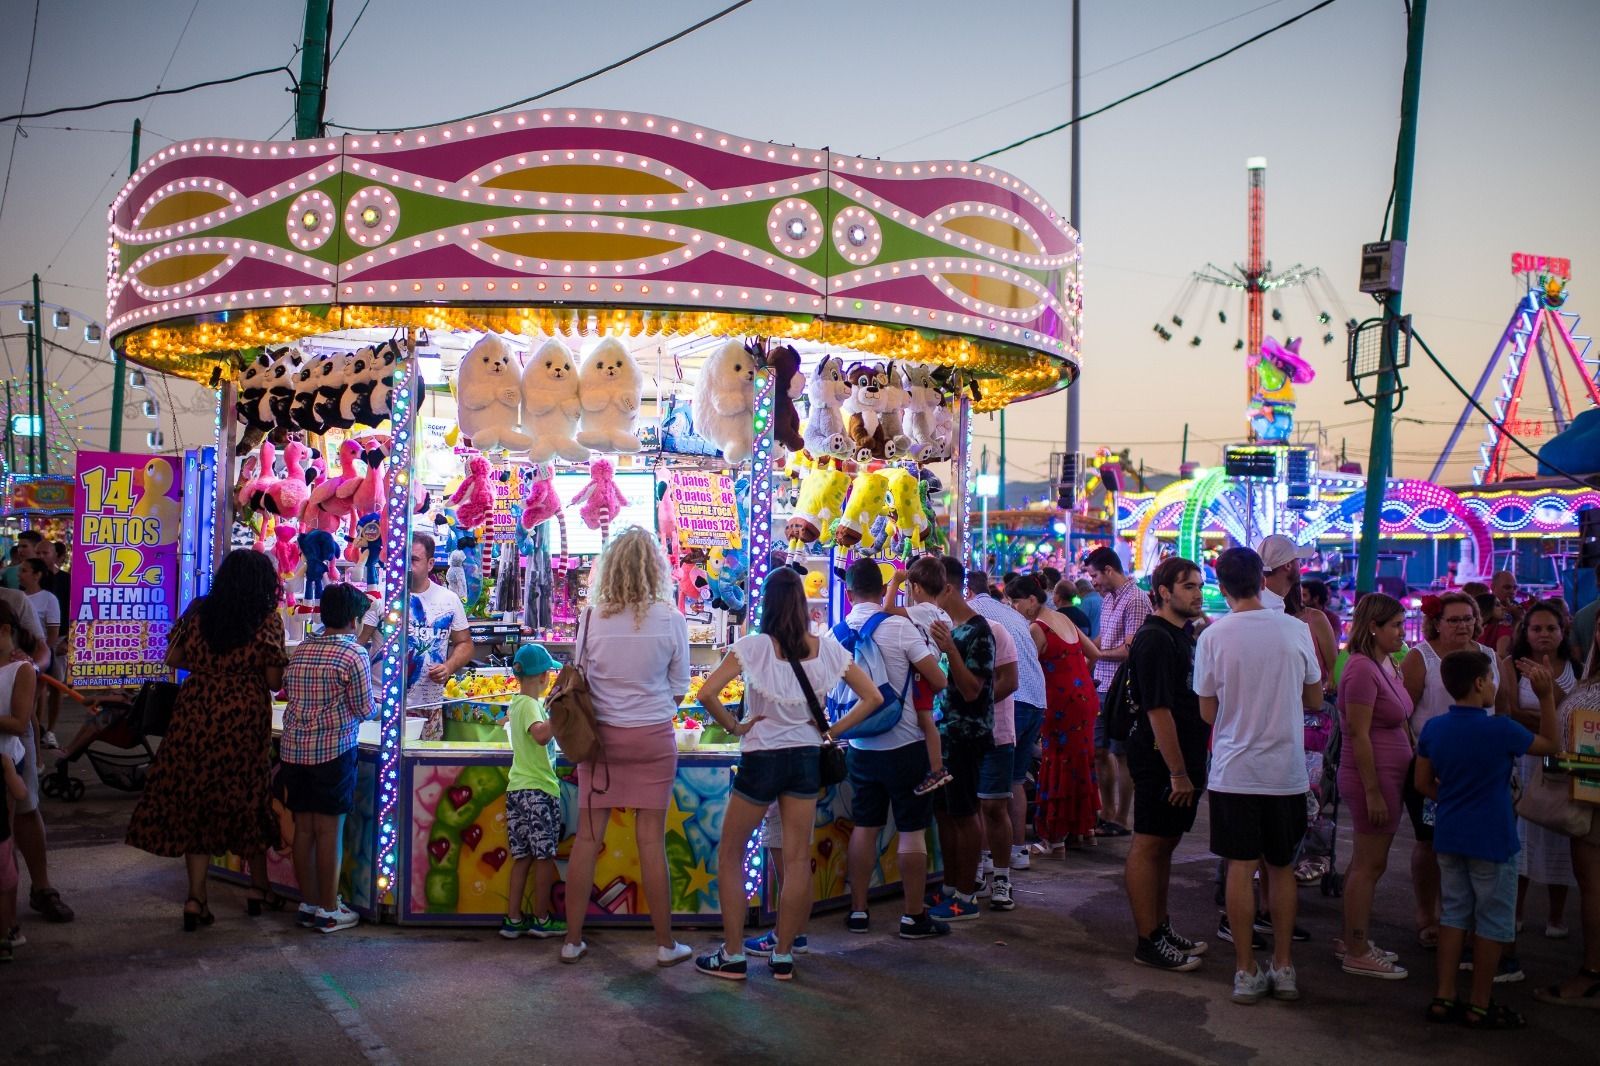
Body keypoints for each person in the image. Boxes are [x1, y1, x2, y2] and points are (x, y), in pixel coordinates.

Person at [694, 568, 882, 980]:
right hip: (805, 758)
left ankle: (732, 953)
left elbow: (707, 693)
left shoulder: (752, 647)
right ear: (800, 603)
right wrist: (832, 731)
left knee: (731, 854)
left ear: (766, 603)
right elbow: (873, 697)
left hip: (762, 758)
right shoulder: (826, 649)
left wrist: (734, 725)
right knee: (798, 859)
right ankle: (783, 954)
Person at [125, 548, 289, 930]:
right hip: (243, 716)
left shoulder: (198, 613)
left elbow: (173, 658)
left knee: (197, 798)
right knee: (249, 797)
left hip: (195, 710)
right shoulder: (267, 621)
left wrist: (208, 668)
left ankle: (196, 897)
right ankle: (258, 887)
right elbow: (272, 681)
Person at [561, 528, 693, 967]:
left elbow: (578, 678)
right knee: (650, 842)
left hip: (600, 743)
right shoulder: (672, 618)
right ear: (656, 567)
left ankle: (572, 940)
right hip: (654, 738)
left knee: (587, 841)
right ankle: (664, 944)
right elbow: (678, 690)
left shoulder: (591, 617)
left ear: (609, 567)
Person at [1196, 547, 1321, 1005]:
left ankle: (1245, 969)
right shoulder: (1295, 629)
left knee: (1240, 869)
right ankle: (1284, 966)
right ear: (1263, 581)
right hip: (1285, 771)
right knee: (1282, 869)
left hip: (1234, 772)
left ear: (1221, 584)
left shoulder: (1214, 636)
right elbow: (1313, 700)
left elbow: (1207, 711)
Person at [1416, 649, 1558, 1029]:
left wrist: (1452, 799)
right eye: (1492, 679)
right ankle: (1480, 1002)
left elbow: (1421, 783)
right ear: (1480, 684)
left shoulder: (1434, 729)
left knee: (1454, 916)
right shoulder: (1502, 729)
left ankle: (1444, 996)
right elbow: (1552, 747)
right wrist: (1546, 697)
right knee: (1493, 920)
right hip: (1493, 838)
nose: (1494, 685)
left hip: (1450, 832)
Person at [843, 559, 951, 939]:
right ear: (881, 587)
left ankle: (858, 911)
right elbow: (938, 681)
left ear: (849, 592)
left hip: (858, 743)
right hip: (905, 742)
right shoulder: (900, 628)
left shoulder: (837, 632)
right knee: (911, 830)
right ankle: (912, 916)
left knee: (865, 827)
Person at [1401, 592, 1502, 949]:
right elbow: (1404, 713)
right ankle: (1426, 913)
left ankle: (1458, 917)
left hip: (1479, 768)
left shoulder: (1489, 656)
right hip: (1432, 763)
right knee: (1429, 841)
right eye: (1454, 619)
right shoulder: (1420, 658)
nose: (1462, 625)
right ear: (1437, 623)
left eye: (1468, 618)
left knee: (1470, 846)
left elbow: (1497, 710)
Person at [1124, 557, 1210, 972]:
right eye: (1189, 586)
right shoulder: (1155, 638)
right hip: (1160, 760)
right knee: (1150, 843)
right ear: (1163, 592)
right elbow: (1158, 710)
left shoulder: (1184, 634)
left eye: (1199, 585)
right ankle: (1147, 940)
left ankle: (1159, 927)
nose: (1198, 593)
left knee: (1166, 845)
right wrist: (1177, 771)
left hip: (1184, 757)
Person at [280, 583, 374, 934]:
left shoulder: (303, 648)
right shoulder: (353, 655)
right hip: (332, 752)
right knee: (329, 830)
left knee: (303, 828)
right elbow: (365, 708)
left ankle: (307, 903)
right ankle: (329, 907)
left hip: (293, 751)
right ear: (354, 619)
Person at [1335, 593, 1413, 979]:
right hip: (1373, 775)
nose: (1402, 632)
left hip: (1386, 773)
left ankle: (1353, 937)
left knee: (1367, 863)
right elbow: (1358, 733)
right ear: (1373, 628)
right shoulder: (1362, 669)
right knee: (1370, 864)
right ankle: (1357, 949)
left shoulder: (1383, 664)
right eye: (1395, 626)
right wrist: (1372, 790)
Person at [1498, 601, 1579, 951]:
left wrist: (1550, 699)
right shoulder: (1511, 667)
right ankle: (1515, 911)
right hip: (1523, 760)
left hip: (1562, 762)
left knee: (1559, 831)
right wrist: (1549, 723)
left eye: (1551, 628)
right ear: (1525, 633)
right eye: (1537, 628)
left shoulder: (1576, 666)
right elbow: (1510, 713)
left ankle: (1556, 915)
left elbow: (1576, 712)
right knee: (1521, 835)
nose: (1544, 635)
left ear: (1563, 632)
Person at [1007, 575, 1100, 855]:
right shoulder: (1065, 619)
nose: (1014, 608)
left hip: (1061, 701)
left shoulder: (1037, 627)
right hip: (1084, 696)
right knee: (1081, 761)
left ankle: (1054, 839)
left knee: (1056, 761)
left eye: (1016, 602)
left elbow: (1026, 669)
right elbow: (1093, 653)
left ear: (1032, 600)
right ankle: (1085, 831)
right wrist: (1072, 671)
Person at [926, 556, 996, 923]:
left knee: (966, 814)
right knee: (945, 813)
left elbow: (972, 691)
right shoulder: (948, 627)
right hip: (942, 737)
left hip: (966, 736)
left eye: (931, 592)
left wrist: (949, 650)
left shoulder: (978, 631)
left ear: (949, 588)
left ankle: (967, 896)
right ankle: (951, 886)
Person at [1534, 625, 1600, 1010]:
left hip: (1591, 792)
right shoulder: (1588, 675)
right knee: (1588, 884)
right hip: (1583, 791)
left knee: (1592, 886)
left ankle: (1592, 974)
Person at [967, 573, 1047, 879]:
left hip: (1013, 701)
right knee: (1014, 782)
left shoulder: (973, 613)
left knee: (988, 792)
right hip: (1036, 699)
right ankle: (1018, 851)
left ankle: (986, 858)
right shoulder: (1008, 613)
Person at [360, 532, 472, 742]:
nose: (406, 566)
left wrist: (448, 666)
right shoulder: (381, 599)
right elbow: (358, 644)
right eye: (402, 559)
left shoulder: (449, 600)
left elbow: (464, 643)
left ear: (430, 564)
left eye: (414, 560)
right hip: (381, 702)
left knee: (423, 770)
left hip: (427, 705)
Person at [499, 642, 566, 941]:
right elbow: (540, 736)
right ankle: (541, 917)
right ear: (542, 676)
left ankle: (513, 918)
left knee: (522, 857)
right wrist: (558, 718)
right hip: (537, 790)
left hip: (519, 791)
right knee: (543, 858)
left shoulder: (519, 704)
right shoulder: (528, 705)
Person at [1085, 546, 1147, 835]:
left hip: (1122, 688)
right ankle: (1106, 812)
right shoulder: (1109, 598)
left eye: (1095, 575)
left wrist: (1096, 654)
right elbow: (1105, 637)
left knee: (1120, 753)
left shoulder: (1134, 599)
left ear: (1109, 570)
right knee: (1099, 751)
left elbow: (1130, 649)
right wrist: (1086, 650)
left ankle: (1121, 818)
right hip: (1101, 686)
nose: (1093, 582)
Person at [0, 604, 38, 953]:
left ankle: (8, 923)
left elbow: (18, 721)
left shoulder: (20, 669)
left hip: (6, 760)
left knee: (4, 842)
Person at [1, 728, 24, 961]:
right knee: (4, 888)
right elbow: (20, 792)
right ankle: (5, 935)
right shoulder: (5, 760)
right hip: (1, 838)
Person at [1484, 571, 1520, 653]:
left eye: (1515, 588)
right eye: (1507, 587)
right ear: (1493, 587)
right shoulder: (1482, 608)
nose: (1512, 591)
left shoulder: (1519, 609)